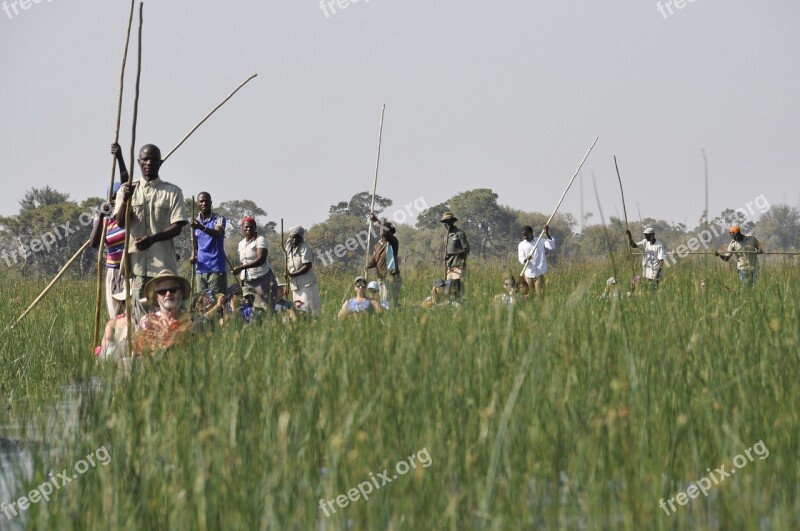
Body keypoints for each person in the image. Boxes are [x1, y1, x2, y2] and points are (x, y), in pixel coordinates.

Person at [114, 144, 188, 313]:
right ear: (139, 162)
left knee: (169, 316)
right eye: (145, 159)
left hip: (164, 267)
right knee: (141, 318)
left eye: (153, 160)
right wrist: (126, 199)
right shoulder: (128, 190)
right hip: (139, 267)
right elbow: (120, 222)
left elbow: (177, 227)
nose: (149, 163)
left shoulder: (172, 192)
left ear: (160, 163)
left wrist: (152, 239)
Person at [90, 142, 129, 319]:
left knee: (130, 313)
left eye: (117, 198)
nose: (115, 201)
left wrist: (119, 157)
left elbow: (126, 181)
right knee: (115, 316)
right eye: (112, 198)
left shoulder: (127, 214)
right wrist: (101, 216)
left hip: (129, 269)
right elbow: (94, 243)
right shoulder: (102, 219)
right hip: (113, 271)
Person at [133, 270, 193, 355]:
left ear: (181, 293)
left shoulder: (192, 319)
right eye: (162, 291)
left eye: (173, 290)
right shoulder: (148, 321)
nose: (168, 294)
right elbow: (140, 352)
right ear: (156, 297)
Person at [232, 216, 276, 313]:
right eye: (246, 227)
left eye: (251, 227)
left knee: (265, 308)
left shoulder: (260, 240)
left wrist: (240, 268)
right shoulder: (241, 243)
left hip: (262, 280)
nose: (249, 229)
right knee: (249, 307)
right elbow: (243, 262)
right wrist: (241, 282)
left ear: (255, 228)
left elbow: (261, 259)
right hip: (248, 281)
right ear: (242, 228)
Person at [190, 192, 227, 295]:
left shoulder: (219, 218)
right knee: (201, 303)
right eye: (201, 201)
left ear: (211, 203)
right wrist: (193, 256)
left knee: (217, 303)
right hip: (200, 269)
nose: (204, 203)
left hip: (216, 267)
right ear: (197, 204)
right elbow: (195, 246)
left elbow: (217, 233)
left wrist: (200, 227)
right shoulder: (194, 222)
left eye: (206, 201)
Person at [365, 213, 402, 308]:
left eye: (384, 230)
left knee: (389, 303)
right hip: (381, 277)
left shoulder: (393, 242)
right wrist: (367, 265)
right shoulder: (377, 245)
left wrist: (375, 220)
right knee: (383, 302)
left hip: (391, 276)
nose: (381, 232)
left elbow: (385, 233)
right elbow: (374, 260)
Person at [286, 226, 321, 316]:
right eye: (291, 237)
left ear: (300, 238)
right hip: (295, 285)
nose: (293, 239)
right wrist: (287, 274)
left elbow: (307, 266)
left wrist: (292, 274)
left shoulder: (304, 248)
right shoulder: (288, 249)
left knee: (307, 308)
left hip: (306, 283)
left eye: (296, 237)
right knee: (297, 308)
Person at [518, 225, 556, 297]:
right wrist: (526, 259)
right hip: (528, 274)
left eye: (526, 235)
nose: (525, 237)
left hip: (539, 273)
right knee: (529, 295)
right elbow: (521, 259)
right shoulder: (521, 245)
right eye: (523, 236)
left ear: (531, 233)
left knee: (539, 296)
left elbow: (552, 246)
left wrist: (547, 233)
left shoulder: (540, 241)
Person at [440, 211, 469, 298]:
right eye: (445, 222)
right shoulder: (446, 236)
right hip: (449, 267)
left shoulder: (459, 233)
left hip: (458, 265)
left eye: (449, 222)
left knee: (458, 288)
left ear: (453, 221)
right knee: (448, 289)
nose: (447, 224)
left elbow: (466, 249)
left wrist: (451, 254)